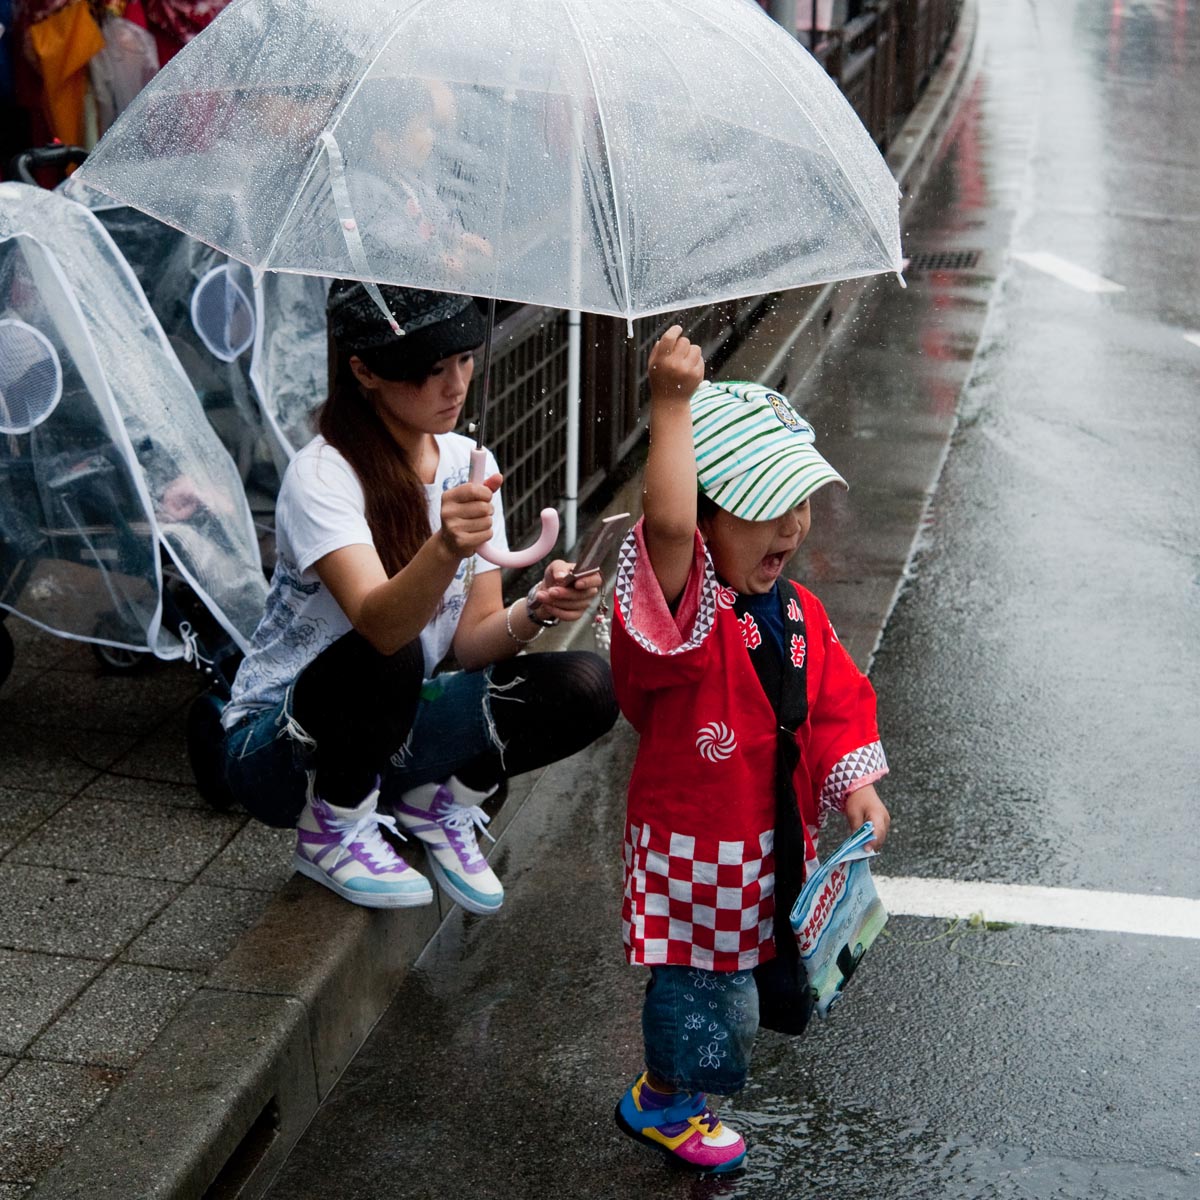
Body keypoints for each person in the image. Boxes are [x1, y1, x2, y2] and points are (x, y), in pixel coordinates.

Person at [214, 280, 617, 913]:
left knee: (589, 686)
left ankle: (438, 806)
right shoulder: (323, 474)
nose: (455, 385)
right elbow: (379, 629)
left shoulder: (467, 462)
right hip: (281, 747)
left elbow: (472, 638)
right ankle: (333, 827)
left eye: (463, 359)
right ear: (364, 369)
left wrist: (535, 609)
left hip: (391, 726)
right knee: (390, 655)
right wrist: (445, 548)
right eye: (429, 371)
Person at [609, 327, 891, 1174]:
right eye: (766, 510)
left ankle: (681, 1091)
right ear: (707, 520)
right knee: (701, 989)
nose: (791, 529)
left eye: (799, 504)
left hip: (768, 842)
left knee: (753, 978)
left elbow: (836, 701)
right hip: (697, 848)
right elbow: (663, 527)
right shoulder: (684, 615)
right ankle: (665, 1100)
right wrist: (670, 402)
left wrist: (856, 787)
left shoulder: (797, 612)